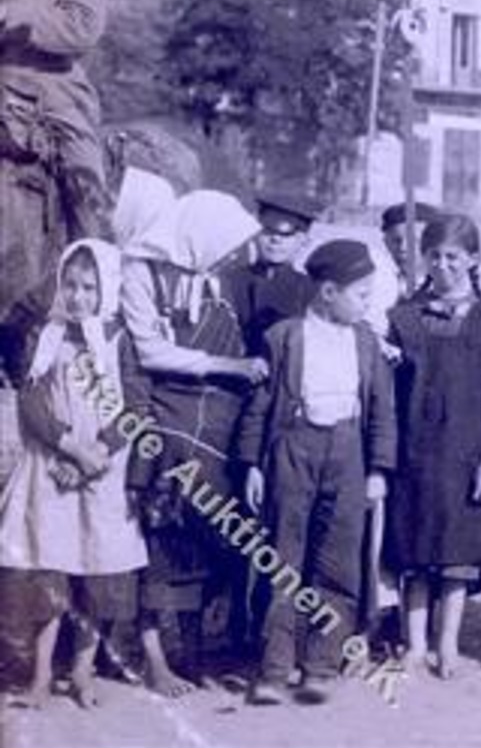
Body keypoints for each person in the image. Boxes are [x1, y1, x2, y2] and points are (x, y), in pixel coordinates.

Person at [235, 239, 396, 706]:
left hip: (348, 452)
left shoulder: (366, 342)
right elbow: (259, 406)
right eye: (361, 295)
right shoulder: (285, 337)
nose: (368, 304)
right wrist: (251, 464)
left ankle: (321, 665)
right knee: (283, 558)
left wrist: (379, 469)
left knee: (337, 561)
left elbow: (383, 410)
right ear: (328, 292)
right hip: (293, 448)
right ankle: (274, 667)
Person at [121, 190, 267, 696]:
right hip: (165, 418)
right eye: (225, 247)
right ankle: (154, 658)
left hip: (214, 426)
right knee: (160, 541)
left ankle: (195, 650)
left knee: (208, 540)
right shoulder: (142, 271)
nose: (230, 258)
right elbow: (150, 351)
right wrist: (228, 366)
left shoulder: (211, 274)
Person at [0, 240, 148, 708]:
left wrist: (97, 452)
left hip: (102, 473)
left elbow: (136, 407)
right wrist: (67, 447)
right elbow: (32, 401)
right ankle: (41, 677)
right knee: (53, 573)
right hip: (52, 466)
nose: (79, 296)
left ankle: (83, 673)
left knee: (96, 574)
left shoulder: (120, 340)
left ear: (106, 289)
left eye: (90, 287)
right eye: (71, 285)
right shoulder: (48, 336)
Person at [386, 214, 481, 679]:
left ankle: (448, 644)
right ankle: (414, 644)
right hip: (414, 452)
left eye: (454, 257)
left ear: (472, 260)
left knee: (455, 558)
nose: (444, 265)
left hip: (465, 453)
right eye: (435, 256)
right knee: (415, 554)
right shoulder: (403, 317)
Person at [0, 0, 110, 241]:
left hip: (55, 90)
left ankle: (90, 270)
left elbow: (83, 27)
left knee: (85, 182)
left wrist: (16, 14)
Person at [223, 195, 319, 360]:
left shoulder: (311, 291)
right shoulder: (229, 282)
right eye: (268, 230)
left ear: (303, 241)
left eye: (286, 234)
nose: (275, 239)